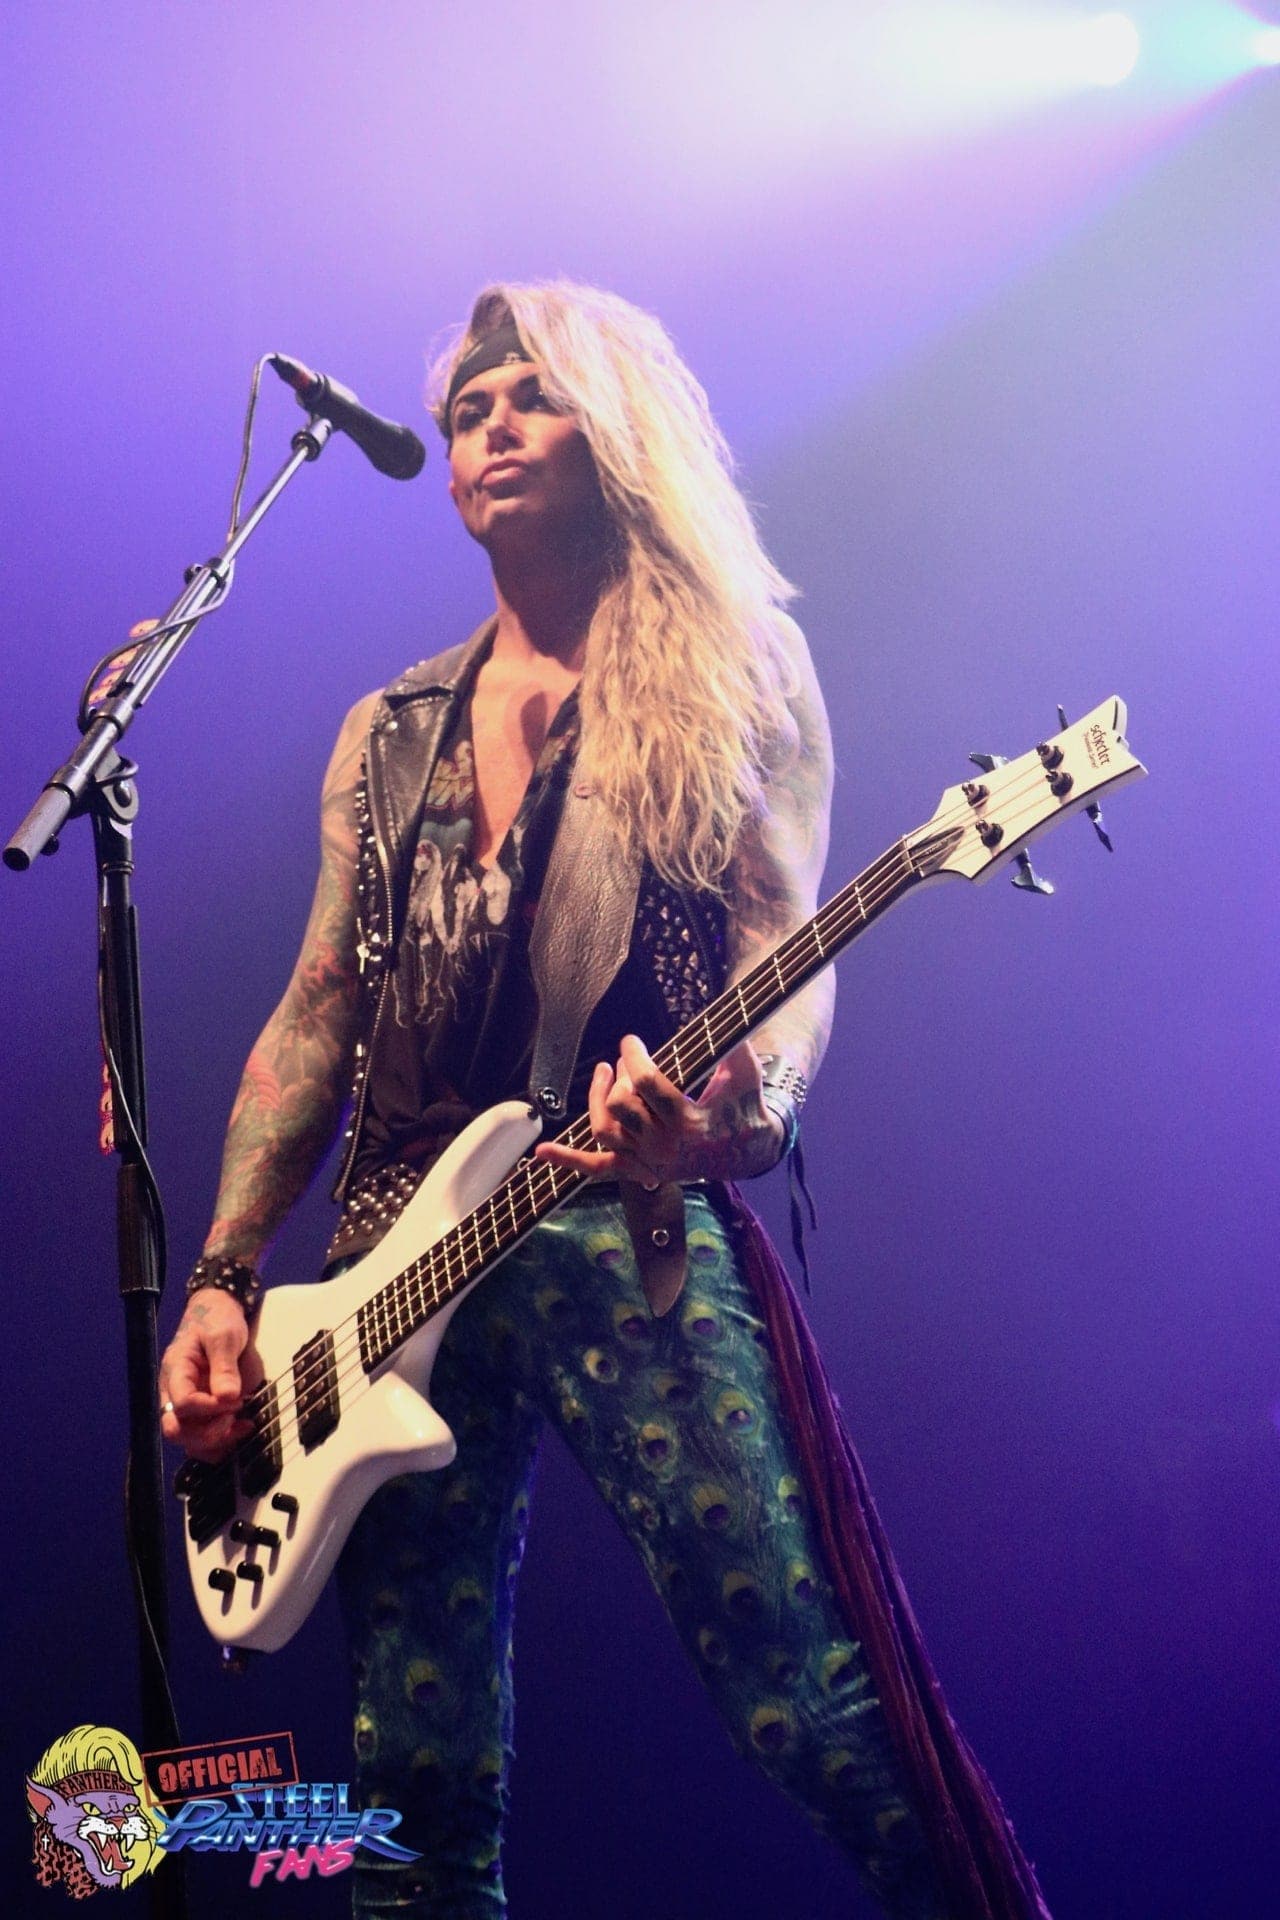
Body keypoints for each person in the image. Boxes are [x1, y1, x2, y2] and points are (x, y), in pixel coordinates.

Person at [159, 283, 1050, 1919]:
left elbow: (787, 944)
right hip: (385, 1287)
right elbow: (316, 1010)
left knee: (805, 1702)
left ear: (614, 429)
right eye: (468, 411)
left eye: (533, 396)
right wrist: (223, 1276)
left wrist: (740, 1120)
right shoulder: (388, 734)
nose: (491, 428)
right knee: (415, 1789)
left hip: (621, 1218)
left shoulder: (732, 668)